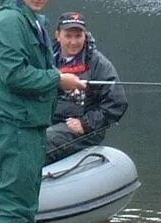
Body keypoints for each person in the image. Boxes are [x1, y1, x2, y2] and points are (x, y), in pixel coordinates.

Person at [0, 0, 85, 223]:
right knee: (16, 207)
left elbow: (35, 72)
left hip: (29, 124)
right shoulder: (9, 23)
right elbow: (14, 75)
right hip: (14, 126)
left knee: (24, 203)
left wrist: (59, 85)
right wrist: (58, 80)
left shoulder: (32, 21)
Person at [44, 12, 127, 162]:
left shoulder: (99, 64)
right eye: (68, 36)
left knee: (43, 141)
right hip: (48, 120)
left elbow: (117, 102)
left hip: (84, 129)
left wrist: (86, 123)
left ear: (85, 35)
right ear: (58, 35)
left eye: (78, 36)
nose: (74, 42)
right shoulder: (46, 58)